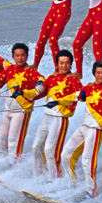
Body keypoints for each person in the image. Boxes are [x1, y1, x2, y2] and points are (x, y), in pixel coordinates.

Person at [60, 60, 102, 197]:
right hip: (83, 127)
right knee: (65, 156)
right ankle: (71, 185)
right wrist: (57, 101)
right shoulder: (89, 86)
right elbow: (78, 96)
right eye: (98, 72)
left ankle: (91, 192)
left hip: (95, 129)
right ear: (94, 74)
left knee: (87, 161)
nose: (101, 75)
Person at [0, 43, 45, 161]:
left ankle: (15, 169)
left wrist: (38, 85)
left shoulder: (31, 72)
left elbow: (41, 81)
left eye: (23, 55)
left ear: (27, 56)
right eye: (17, 55)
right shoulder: (9, 70)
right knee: (1, 141)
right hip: (7, 111)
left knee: (13, 142)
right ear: (13, 57)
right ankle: (0, 165)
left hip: (21, 111)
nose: (20, 58)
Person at [30, 50, 83, 180]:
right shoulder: (52, 78)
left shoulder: (74, 80)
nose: (64, 66)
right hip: (46, 117)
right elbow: (40, 93)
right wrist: (25, 93)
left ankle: (54, 179)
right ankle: (38, 176)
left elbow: (81, 96)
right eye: (61, 63)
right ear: (57, 64)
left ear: (71, 64)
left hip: (60, 118)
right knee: (36, 146)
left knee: (50, 150)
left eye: (67, 63)